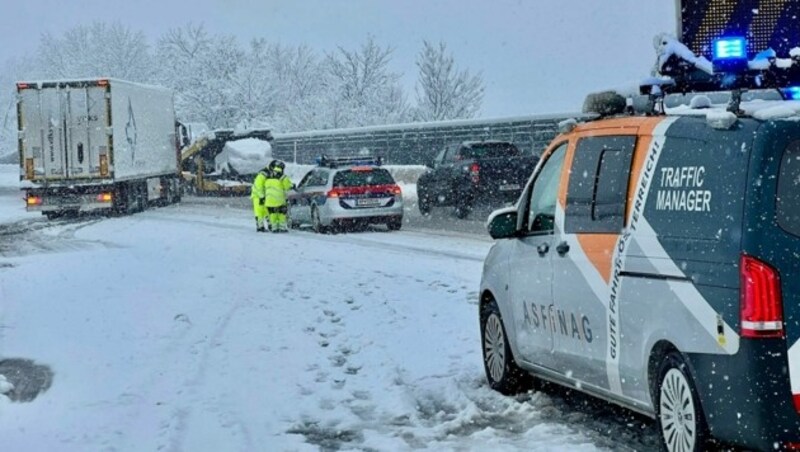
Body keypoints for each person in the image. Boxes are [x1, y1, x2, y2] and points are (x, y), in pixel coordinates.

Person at [263, 160, 293, 232]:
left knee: (272, 213)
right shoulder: (283, 177)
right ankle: (282, 227)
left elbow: (265, 186)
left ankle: (274, 228)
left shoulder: (268, 176)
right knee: (281, 213)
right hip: (279, 199)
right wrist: (291, 185)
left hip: (269, 200)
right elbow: (287, 187)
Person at [250, 163, 272, 232]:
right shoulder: (262, 175)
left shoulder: (267, 175)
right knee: (259, 212)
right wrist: (262, 196)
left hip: (262, 196)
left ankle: (269, 225)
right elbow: (258, 187)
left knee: (266, 211)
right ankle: (260, 227)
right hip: (257, 196)